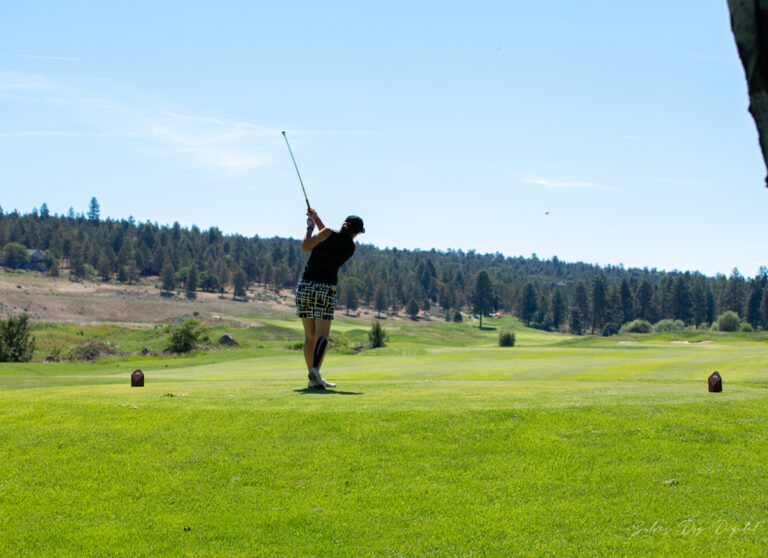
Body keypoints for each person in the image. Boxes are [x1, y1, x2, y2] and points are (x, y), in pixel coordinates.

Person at [296, 208, 365, 389]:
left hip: (305, 287)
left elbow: (308, 244)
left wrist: (309, 227)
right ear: (355, 232)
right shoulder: (351, 247)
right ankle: (315, 372)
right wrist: (316, 219)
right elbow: (327, 235)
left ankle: (313, 377)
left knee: (309, 337)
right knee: (323, 336)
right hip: (325, 289)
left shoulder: (326, 233)